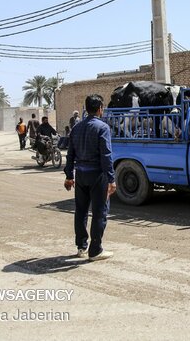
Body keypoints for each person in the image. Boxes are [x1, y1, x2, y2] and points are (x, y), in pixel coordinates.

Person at [64, 95, 116, 262]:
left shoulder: (76, 128)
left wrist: (68, 176)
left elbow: (70, 154)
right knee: (100, 212)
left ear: (86, 109)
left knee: (81, 211)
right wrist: (111, 179)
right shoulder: (102, 128)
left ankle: (81, 247)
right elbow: (106, 156)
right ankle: (95, 250)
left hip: (80, 175)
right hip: (97, 176)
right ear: (100, 108)